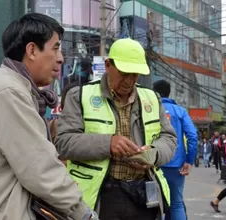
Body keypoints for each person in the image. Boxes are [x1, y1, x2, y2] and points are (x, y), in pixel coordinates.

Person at [0, 13, 97, 220]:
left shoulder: (11, 88)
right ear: (32, 50)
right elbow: (40, 170)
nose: (61, 58)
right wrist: (85, 214)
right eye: (56, 48)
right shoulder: (7, 91)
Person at [55, 38, 177, 220]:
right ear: (107, 65)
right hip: (103, 196)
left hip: (143, 193)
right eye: (124, 73)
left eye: (135, 75)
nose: (129, 81)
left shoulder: (151, 98)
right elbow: (64, 142)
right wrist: (108, 143)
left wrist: (154, 153)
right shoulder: (80, 96)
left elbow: (169, 138)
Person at [152, 79, 198, 220]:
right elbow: (192, 136)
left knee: (152, 204)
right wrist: (189, 161)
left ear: (154, 92)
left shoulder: (150, 109)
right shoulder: (180, 111)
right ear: (169, 92)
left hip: (153, 164)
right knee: (176, 204)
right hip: (176, 166)